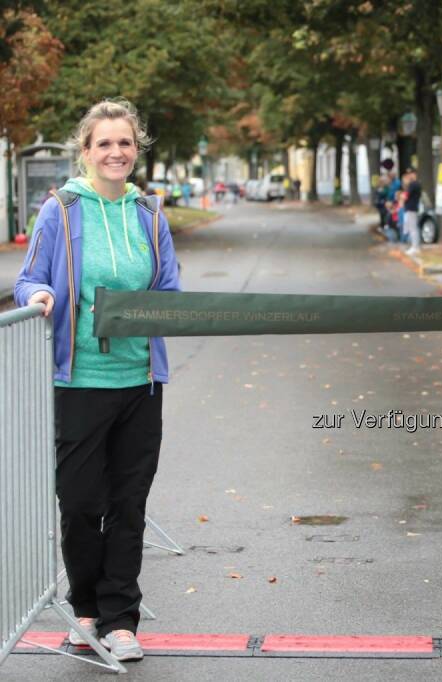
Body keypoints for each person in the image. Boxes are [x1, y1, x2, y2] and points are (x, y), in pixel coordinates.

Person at [14, 99, 181, 663]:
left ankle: (121, 618)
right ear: (85, 151)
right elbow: (29, 278)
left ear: (138, 150)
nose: (116, 152)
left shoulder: (151, 216)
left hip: (140, 383)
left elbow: (171, 295)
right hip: (80, 381)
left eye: (126, 143)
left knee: (129, 503)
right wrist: (38, 297)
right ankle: (84, 608)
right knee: (83, 502)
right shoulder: (60, 211)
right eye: (104, 143)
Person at [402, 167, 422, 256]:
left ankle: (415, 247)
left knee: (412, 228)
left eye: (410, 174)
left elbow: (406, 195)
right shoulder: (416, 184)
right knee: (412, 227)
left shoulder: (413, 184)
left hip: (411, 208)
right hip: (412, 208)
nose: (409, 175)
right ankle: (414, 246)